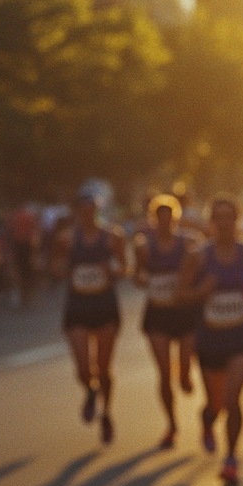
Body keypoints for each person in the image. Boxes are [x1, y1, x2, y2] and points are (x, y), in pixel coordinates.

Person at [179, 198, 243, 484]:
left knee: (233, 399)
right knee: (215, 404)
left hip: (241, 334)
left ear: (237, 220)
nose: (224, 223)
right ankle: (207, 420)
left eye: (230, 217)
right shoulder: (199, 256)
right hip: (210, 338)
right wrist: (202, 292)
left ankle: (231, 458)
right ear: (211, 223)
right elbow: (179, 295)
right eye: (218, 218)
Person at [52, 192, 127, 445]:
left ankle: (106, 413)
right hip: (78, 307)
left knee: (104, 368)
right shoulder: (67, 238)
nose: (87, 215)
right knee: (84, 368)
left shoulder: (112, 237)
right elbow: (55, 265)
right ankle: (90, 390)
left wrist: (112, 270)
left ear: (96, 211)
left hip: (105, 306)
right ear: (76, 212)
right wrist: (62, 270)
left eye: (91, 210)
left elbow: (125, 268)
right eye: (82, 210)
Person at [134, 194, 201, 449]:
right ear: (154, 220)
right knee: (164, 373)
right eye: (159, 219)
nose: (165, 224)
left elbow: (202, 267)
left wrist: (189, 284)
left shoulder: (190, 243)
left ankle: (185, 374)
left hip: (184, 313)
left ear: (176, 218)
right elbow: (138, 274)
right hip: (158, 313)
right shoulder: (144, 245)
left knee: (183, 374)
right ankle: (171, 424)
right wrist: (140, 279)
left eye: (169, 219)